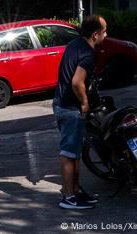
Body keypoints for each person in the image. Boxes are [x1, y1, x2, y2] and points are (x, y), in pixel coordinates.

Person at [53, 15, 107, 209]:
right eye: (104, 31)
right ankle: (68, 197)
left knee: (75, 152)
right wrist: (84, 103)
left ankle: (76, 191)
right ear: (95, 34)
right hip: (70, 108)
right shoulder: (88, 54)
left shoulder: (75, 43)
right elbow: (77, 82)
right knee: (68, 152)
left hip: (62, 103)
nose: (106, 35)